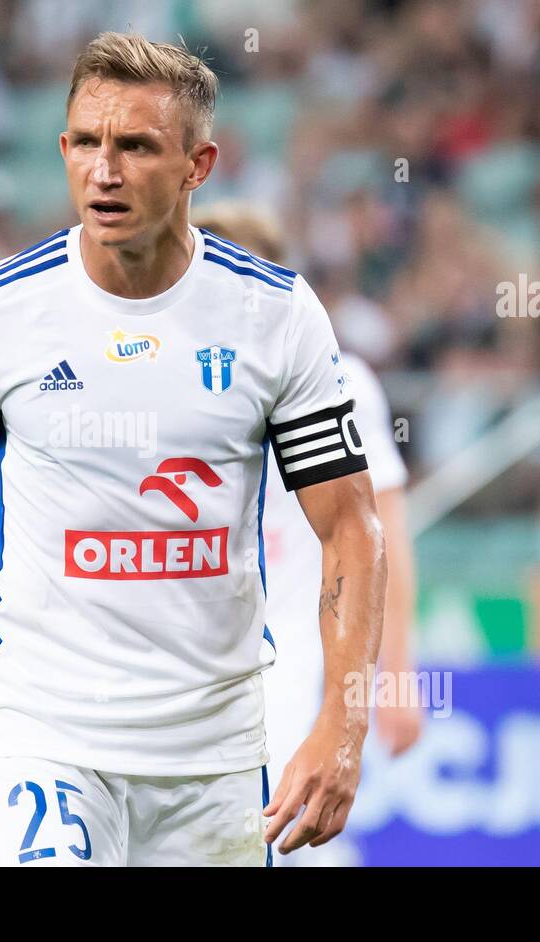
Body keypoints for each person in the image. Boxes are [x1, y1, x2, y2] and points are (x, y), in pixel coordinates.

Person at [0, 32, 386, 866]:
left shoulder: (275, 316)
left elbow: (350, 526)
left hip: (217, 749)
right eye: (86, 143)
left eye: (135, 146)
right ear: (61, 149)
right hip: (42, 728)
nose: (105, 169)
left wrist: (343, 727)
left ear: (199, 166)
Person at [192, 202, 421, 866]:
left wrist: (395, 676)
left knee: (278, 838)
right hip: (191, 661)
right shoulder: (172, 383)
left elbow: (384, 538)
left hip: (295, 657)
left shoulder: (338, 379)